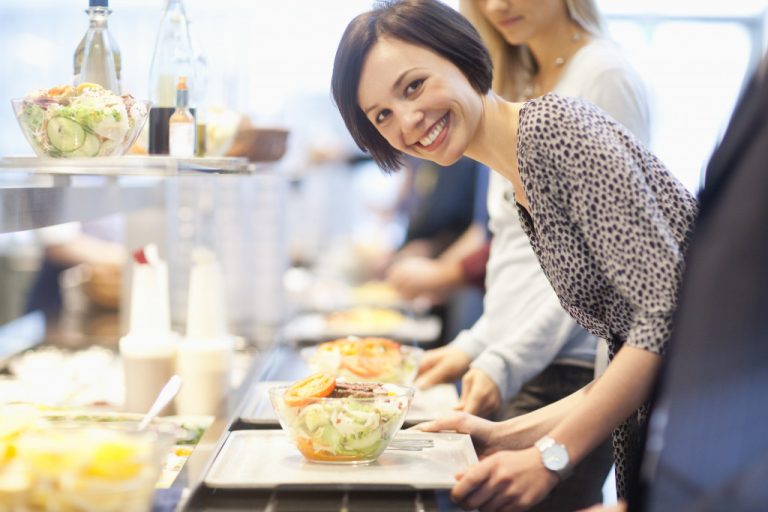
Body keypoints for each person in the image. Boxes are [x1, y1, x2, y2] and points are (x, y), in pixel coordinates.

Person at [330, 1, 697, 510]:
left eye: (413, 85)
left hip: (715, 433)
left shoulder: (552, 128)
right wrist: (508, 436)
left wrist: (551, 456)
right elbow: (627, 342)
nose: (409, 120)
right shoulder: (519, 169)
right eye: (382, 115)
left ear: (460, 54)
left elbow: (669, 317)